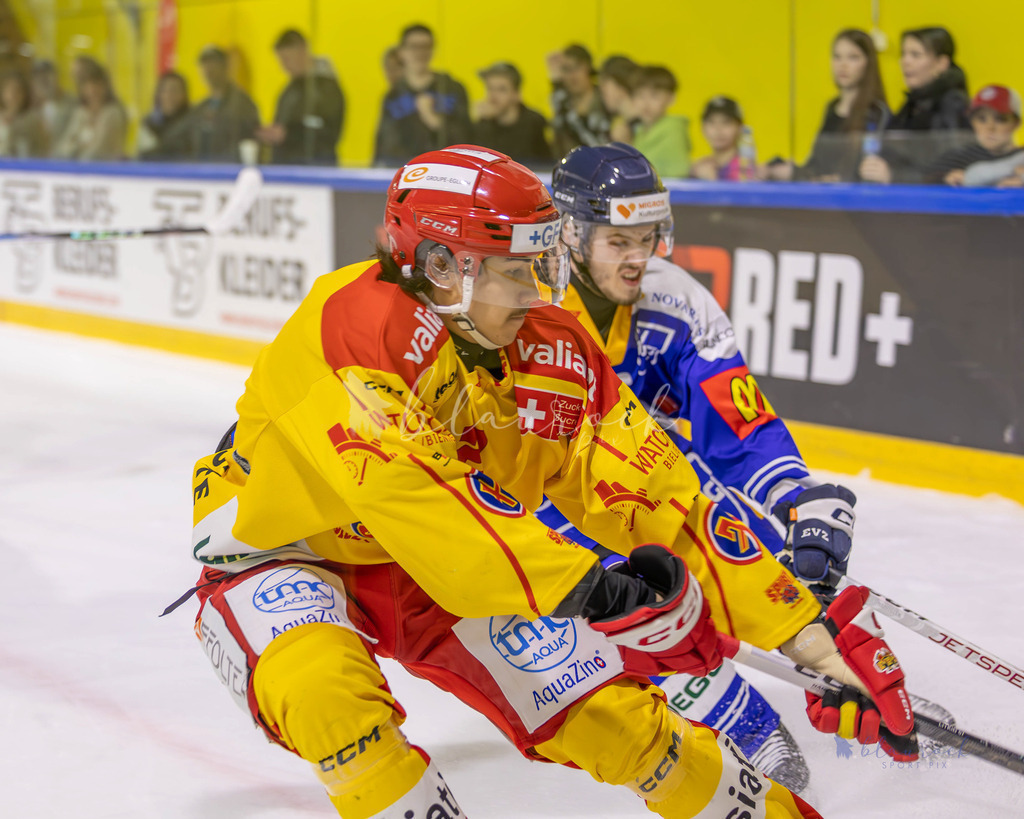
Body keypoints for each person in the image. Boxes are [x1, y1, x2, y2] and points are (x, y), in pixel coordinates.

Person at [182, 145, 916, 818]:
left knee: (623, 726)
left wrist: (803, 632)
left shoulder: (552, 348)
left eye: (541, 263)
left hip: (450, 572)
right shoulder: (351, 326)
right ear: (441, 266)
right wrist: (594, 591)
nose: (537, 291)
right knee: (327, 700)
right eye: (513, 269)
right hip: (289, 549)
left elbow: (660, 497)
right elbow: (422, 505)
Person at [767, 29, 889, 183]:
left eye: (853, 57)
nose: (843, 65)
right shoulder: (832, 107)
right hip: (821, 196)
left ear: (868, 63)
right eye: (837, 57)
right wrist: (791, 171)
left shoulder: (877, 112)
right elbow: (815, 165)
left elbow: (868, 173)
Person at [859, 26, 971, 184]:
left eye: (915, 55)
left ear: (941, 63)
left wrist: (895, 176)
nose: (905, 61)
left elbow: (951, 169)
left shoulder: (951, 103)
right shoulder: (913, 102)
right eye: (903, 54)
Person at [373, 24, 471, 166]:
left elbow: (467, 139)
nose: (420, 53)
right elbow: (382, 143)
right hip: (403, 173)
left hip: (444, 172)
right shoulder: (392, 95)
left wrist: (433, 119)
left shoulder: (451, 89)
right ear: (401, 52)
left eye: (425, 46)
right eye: (414, 47)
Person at [257, 29, 345, 166]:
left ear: (303, 50)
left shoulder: (326, 89)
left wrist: (287, 134)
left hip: (314, 168)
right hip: (287, 167)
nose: (284, 66)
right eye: (281, 60)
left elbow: (327, 132)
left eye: (287, 59)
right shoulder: (288, 90)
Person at [160, 46, 260, 163]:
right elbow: (176, 137)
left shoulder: (242, 105)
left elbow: (248, 142)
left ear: (225, 67)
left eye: (213, 64)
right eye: (204, 65)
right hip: (203, 173)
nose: (208, 70)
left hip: (228, 174)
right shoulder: (201, 108)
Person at [926, 84, 1024, 186]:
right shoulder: (959, 156)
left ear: (1016, 123)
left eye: (1000, 119)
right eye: (982, 119)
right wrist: (945, 178)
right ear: (972, 122)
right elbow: (926, 183)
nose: (990, 127)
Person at [472, 61, 552, 169]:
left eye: (501, 89)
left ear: (516, 94)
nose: (493, 96)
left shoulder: (534, 123)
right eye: (490, 88)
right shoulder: (484, 123)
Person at [53, 59, 126, 161]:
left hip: (105, 172)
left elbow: (97, 152)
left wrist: (77, 149)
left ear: (105, 85)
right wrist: (75, 149)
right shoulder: (81, 113)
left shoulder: (112, 114)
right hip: (78, 172)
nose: (92, 90)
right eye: (86, 85)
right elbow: (63, 147)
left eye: (96, 84)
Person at [548, 44, 611, 157]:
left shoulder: (606, 99)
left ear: (588, 68)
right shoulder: (562, 103)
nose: (573, 75)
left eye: (577, 67)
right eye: (566, 70)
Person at [631, 65, 690, 178]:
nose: (646, 103)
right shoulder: (640, 131)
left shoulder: (673, 130)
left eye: (654, 96)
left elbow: (679, 175)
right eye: (640, 95)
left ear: (671, 98)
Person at [137, 71, 191, 160]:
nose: (169, 95)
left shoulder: (192, 122)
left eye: (175, 90)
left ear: (184, 95)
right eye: (165, 90)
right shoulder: (149, 123)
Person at [690, 96, 746, 181]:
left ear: (739, 127)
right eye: (711, 122)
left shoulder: (747, 171)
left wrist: (712, 182)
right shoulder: (697, 169)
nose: (718, 129)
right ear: (703, 127)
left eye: (726, 122)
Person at [30, 59, 75, 151]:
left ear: (57, 77)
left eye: (46, 75)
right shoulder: (34, 109)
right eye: (38, 77)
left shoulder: (73, 104)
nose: (42, 79)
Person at [0, 71, 48, 157]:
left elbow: (44, 149)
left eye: (18, 91)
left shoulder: (33, 120)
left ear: (25, 94)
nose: (13, 95)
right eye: (10, 90)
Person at [598, 55, 639, 143]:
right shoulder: (624, 125)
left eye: (604, 82)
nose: (601, 88)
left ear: (620, 85)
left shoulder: (637, 128)